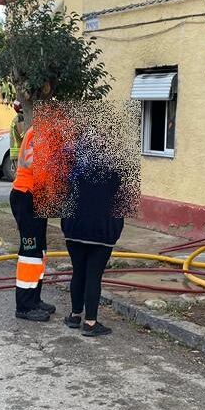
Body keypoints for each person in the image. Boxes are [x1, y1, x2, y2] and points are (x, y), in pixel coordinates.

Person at [61, 131, 124, 337]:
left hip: (74, 228)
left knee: (78, 271)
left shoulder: (74, 168)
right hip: (102, 230)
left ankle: (75, 315)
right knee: (93, 275)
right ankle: (90, 323)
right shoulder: (114, 171)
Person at [9, 124, 56, 322]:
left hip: (35, 198)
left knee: (39, 252)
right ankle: (25, 306)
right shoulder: (40, 134)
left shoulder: (41, 131)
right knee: (30, 253)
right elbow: (38, 167)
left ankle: (35, 299)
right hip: (27, 196)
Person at [9, 100, 25, 168]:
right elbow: (23, 135)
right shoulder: (20, 118)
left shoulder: (18, 118)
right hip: (19, 152)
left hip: (17, 152)